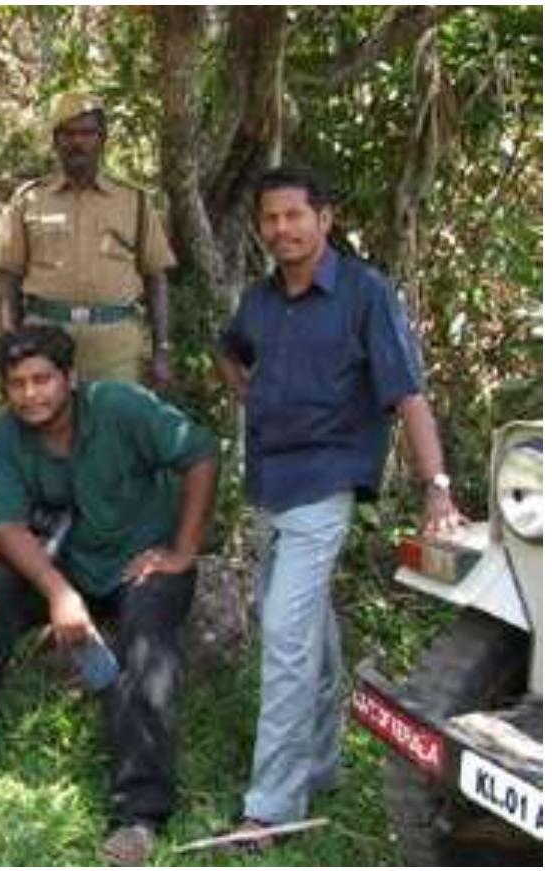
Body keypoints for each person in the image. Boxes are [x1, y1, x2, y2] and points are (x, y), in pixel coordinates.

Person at [215, 165, 465, 847]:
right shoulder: (260, 301)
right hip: (268, 484)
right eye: (269, 219)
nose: (281, 229)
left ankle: (271, 806)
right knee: (301, 632)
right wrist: (251, 393)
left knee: (285, 643)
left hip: (324, 487)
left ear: (324, 219)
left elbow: (406, 393)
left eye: (294, 216)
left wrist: (435, 488)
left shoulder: (363, 292)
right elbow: (229, 352)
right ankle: (320, 761)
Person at [0, 325, 217, 865]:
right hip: (65, 567)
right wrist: (59, 594)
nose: (31, 394)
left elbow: (199, 454)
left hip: (140, 562)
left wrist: (183, 551)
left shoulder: (120, 406)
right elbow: (6, 526)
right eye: (18, 384)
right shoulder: (3, 436)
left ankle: (139, 815)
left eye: (42, 380)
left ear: (70, 378)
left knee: (147, 633)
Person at [0, 93, 177, 387]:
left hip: (115, 346)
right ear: (55, 141)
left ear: (102, 139)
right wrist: (7, 344)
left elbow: (156, 277)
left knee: (116, 427)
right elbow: (9, 277)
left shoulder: (134, 201)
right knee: (46, 429)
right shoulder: (29, 200)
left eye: (87, 133)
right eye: (67, 133)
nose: (77, 142)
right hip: (43, 341)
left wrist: (161, 351)